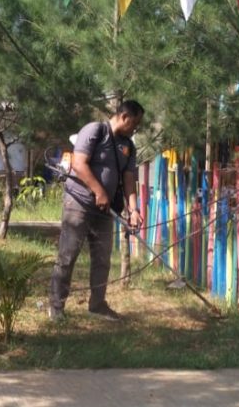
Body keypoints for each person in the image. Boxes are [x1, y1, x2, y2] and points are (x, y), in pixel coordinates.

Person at [48, 100, 145, 322]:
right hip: (79, 204)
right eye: (135, 123)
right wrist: (99, 191)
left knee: (102, 260)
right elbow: (79, 163)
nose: (136, 128)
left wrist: (133, 210)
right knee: (67, 256)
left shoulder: (128, 146)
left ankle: (97, 305)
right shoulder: (95, 131)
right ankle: (56, 306)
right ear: (124, 117)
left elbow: (129, 179)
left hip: (105, 210)